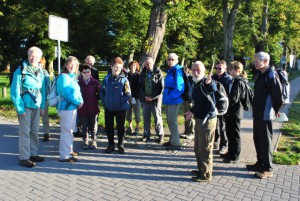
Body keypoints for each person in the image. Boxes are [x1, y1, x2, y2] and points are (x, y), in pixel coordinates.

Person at [246, 51, 283, 179]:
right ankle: (260, 163)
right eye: (254, 60)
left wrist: (276, 110)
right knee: (257, 138)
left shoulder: (271, 75)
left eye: (257, 60)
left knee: (265, 141)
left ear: (266, 61)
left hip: (265, 114)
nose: (255, 62)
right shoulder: (262, 74)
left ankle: (268, 168)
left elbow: (278, 95)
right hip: (258, 113)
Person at [10, 46, 46, 167]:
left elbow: (43, 90)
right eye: (32, 55)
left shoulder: (41, 71)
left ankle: (33, 153)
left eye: (36, 56)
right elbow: (15, 92)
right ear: (28, 56)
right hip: (25, 106)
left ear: (40, 58)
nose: (33, 58)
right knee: (25, 132)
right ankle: (24, 158)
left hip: (36, 104)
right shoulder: (20, 71)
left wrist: (42, 106)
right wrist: (20, 109)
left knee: (34, 131)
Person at [185, 61, 217, 182]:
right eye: (193, 70)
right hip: (199, 118)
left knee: (205, 148)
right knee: (198, 147)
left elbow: (212, 89)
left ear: (204, 71)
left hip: (207, 120)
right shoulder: (196, 83)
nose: (195, 72)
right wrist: (191, 111)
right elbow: (199, 102)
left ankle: (206, 174)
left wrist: (210, 83)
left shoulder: (206, 82)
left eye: (198, 70)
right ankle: (201, 169)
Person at [100, 57, 131, 154]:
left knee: (121, 127)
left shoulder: (124, 80)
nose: (117, 69)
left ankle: (121, 145)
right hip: (109, 107)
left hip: (121, 108)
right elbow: (102, 91)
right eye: (116, 67)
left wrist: (122, 101)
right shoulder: (106, 79)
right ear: (111, 67)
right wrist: (104, 100)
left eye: (119, 67)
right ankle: (110, 144)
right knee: (109, 127)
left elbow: (128, 94)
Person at [56, 56, 83, 162]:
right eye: (71, 64)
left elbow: (77, 92)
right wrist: (77, 102)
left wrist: (81, 101)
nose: (72, 66)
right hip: (65, 108)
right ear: (66, 65)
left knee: (70, 131)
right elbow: (66, 93)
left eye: (75, 65)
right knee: (66, 131)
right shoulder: (63, 77)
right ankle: (64, 155)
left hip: (72, 108)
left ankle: (69, 150)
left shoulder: (72, 78)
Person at [221, 61, 248, 163]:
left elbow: (234, 99)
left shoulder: (239, 82)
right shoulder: (233, 80)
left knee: (234, 134)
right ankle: (230, 152)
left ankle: (235, 155)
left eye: (231, 69)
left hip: (235, 112)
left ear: (237, 70)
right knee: (229, 132)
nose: (230, 71)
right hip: (230, 111)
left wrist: (225, 103)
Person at [139, 57, 164, 143]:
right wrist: (144, 96)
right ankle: (146, 135)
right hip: (145, 99)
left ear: (153, 63)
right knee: (146, 118)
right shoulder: (142, 73)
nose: (148, 65)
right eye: (146, 64)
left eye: (149, 63)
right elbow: (140, 87)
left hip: (156, 100)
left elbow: (161, 87)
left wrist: (152, 97)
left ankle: (160, 135)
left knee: (157, 118)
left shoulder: (158, 72)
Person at [163, 53, 184, 150]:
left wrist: (171, 96)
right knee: (169, 121)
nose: (170, 61)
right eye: (169, 59)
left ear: (177, 61)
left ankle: (176, 143)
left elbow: (180, 88)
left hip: (173, 100)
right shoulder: (171, 71)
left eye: (172, 59)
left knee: (172, 121)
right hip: (168, 99)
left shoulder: (177, 71)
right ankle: (172, 139)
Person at [77, 64, 101, 150]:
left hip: (93, 108)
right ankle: (85, 141)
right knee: (84, 126)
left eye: (88, 72)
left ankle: (94, 140)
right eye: (84, 72)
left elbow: (100, 93)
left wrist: (97, 98)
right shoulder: (78, 83)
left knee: (93, 125)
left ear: (90, 72)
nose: (87, 73)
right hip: (82, 108)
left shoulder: (95, 82)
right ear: (81, 73)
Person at [211, 60, 232, 154]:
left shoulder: (228, 79)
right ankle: (215, 141)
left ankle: (224, 145)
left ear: (225, 68)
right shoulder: (213, 77)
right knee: (214, 125)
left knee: (222, 126)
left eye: (220, 68)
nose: (218, 70)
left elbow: (229, 94)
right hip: (213, 105)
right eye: (216, 68)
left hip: (223, 106)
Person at [126, 60, 141, 135]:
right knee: (128, 113)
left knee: (137, 113)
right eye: (131, 65)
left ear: (137, 67)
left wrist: (135, 96)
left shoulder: (138, 75)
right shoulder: (126, 75)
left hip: (136, 98)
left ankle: (137, 127)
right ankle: (130, 126)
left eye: (134, 65)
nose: (133, 67)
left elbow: (140, 87)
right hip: (128, 98)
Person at [180, 65, 195, 140]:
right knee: (186, 116)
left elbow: (191, 89)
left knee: (191, 117)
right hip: (184, 99)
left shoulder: (191, 78)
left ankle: (191, 132)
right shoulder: (183, 78)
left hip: (190, 99)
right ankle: (186, 131)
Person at [39, 57, 51, 142]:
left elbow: (48, 86)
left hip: (44, 98)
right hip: (34, 98)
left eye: (41, 63)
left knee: (45, 117)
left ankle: (46, 133)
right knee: (34, 117)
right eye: (39, 62)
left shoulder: (45, 73)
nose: (40, 64)